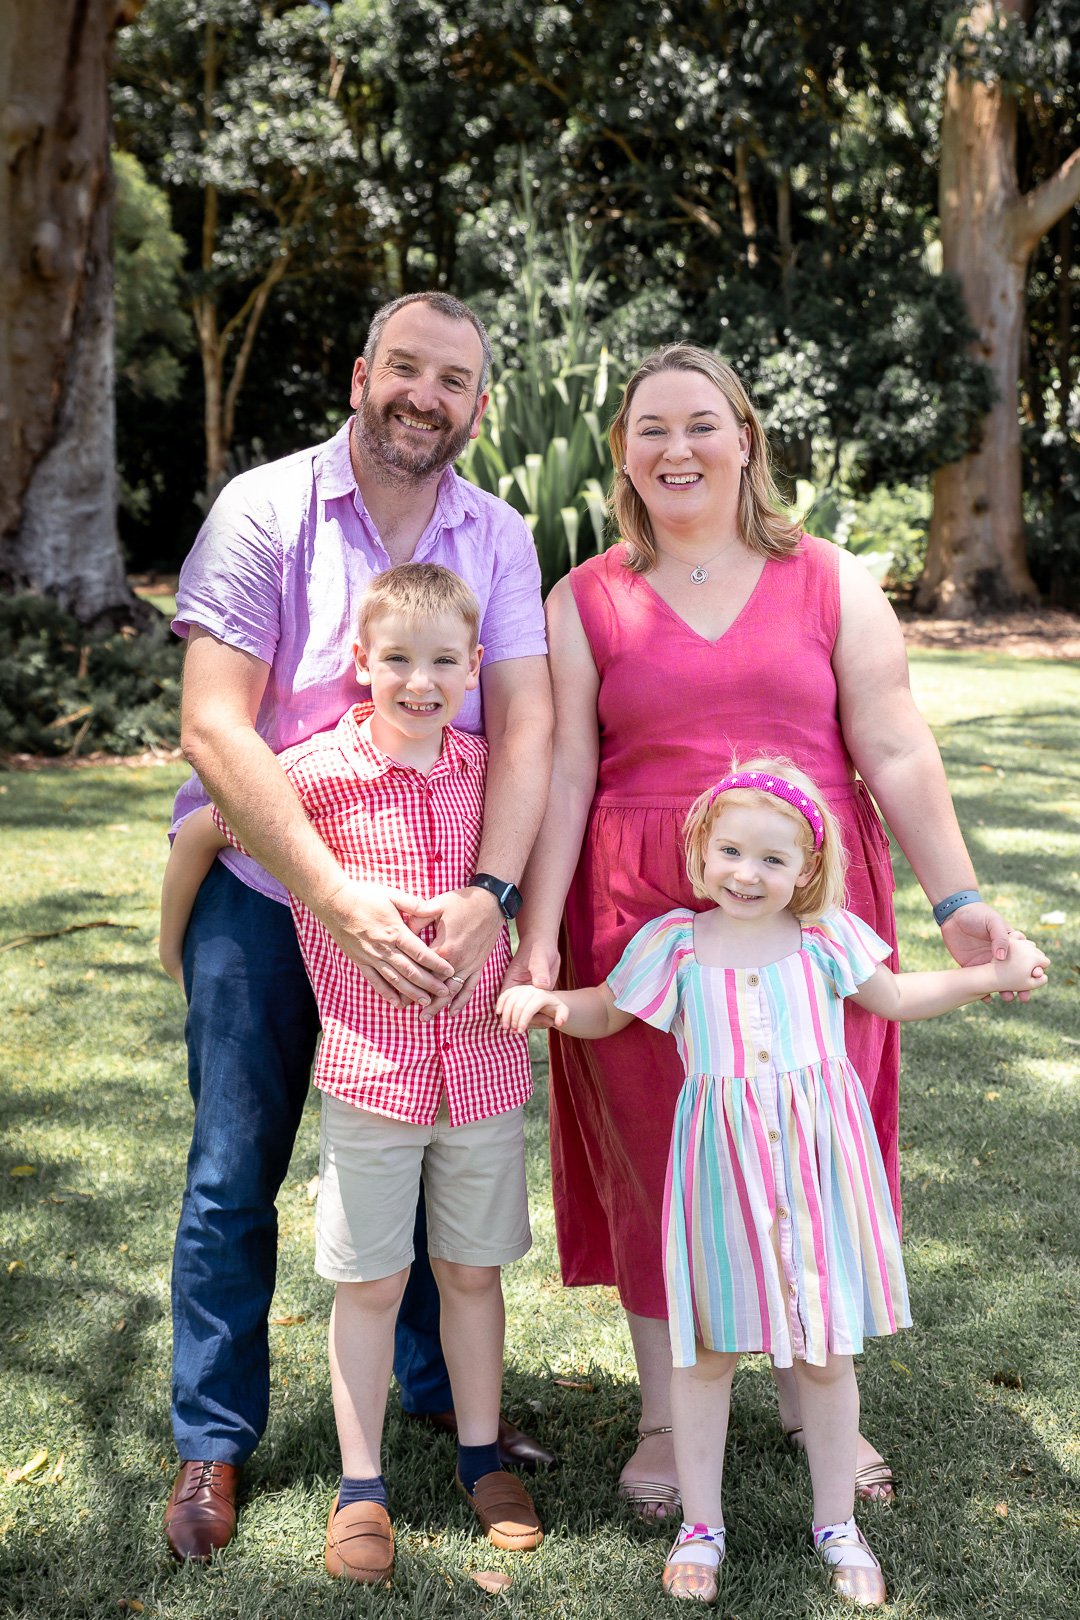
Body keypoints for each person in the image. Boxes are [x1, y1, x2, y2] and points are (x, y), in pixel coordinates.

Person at [505, 343, 1024, 1518]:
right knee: (661, 1158)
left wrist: (960, 902)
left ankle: (815, 1394)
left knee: (814, 1142)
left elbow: (893, 744)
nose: (675, 448)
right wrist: (540, 935)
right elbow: (569, 771)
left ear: (746, 436)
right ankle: (659, 1416)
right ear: (623, 455)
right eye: (649, 430)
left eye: (699, 425)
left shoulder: (831, 579)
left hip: (811, 900)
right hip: (640, 904)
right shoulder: (584, 596)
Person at [162, 292, 554, 1563]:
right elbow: (216, 727)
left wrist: (489, 898)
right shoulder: (265, 510)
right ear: (359, 373)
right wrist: (333, 893)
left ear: (477, 408)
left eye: (454, 379)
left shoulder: (497, 535)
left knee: (434, 1145)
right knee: (236, 1171)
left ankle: (445, 1411)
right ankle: (214, 1443)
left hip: (444, 892)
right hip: (273, 888)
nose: (424, 394)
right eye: (405, 367)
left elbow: (527, 721)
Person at [500, 757, 1048, 1606]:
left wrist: (988, 978)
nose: (747, 874)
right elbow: (610, 1009)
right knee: (711, 1350)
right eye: (730, 852)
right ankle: (702, 1526)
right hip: (718, 1171)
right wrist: (553, 1007)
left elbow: (896, 997)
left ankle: (838, 1524)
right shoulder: (674, 944)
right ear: (701, 851)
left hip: (816, 1165)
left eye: (773, 859)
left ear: (808, 870)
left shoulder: (829, 938)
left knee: (826, 1352)